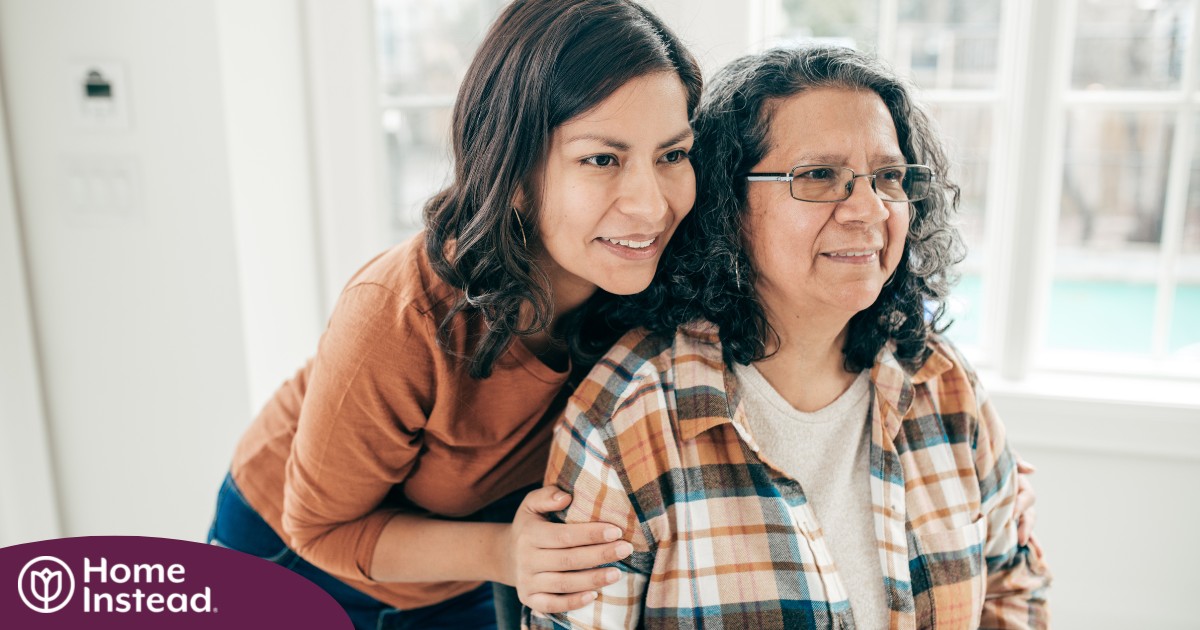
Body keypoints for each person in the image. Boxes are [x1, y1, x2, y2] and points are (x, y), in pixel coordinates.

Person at [206, 1, 702, 628]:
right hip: (295, 549)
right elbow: (322, 527)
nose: (651, 204)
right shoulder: (399, 315)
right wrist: (503, 553)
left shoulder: (650, 287)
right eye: (601, 159)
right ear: (515, 171)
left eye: (672, 154)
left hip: (464, 555)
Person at [528, 45, 1051, 630]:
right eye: (819, 176)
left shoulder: (944, 383)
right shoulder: (626, 420)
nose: (869, 209)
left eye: (888, 177)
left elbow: (1014, 591)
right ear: (728, 203)